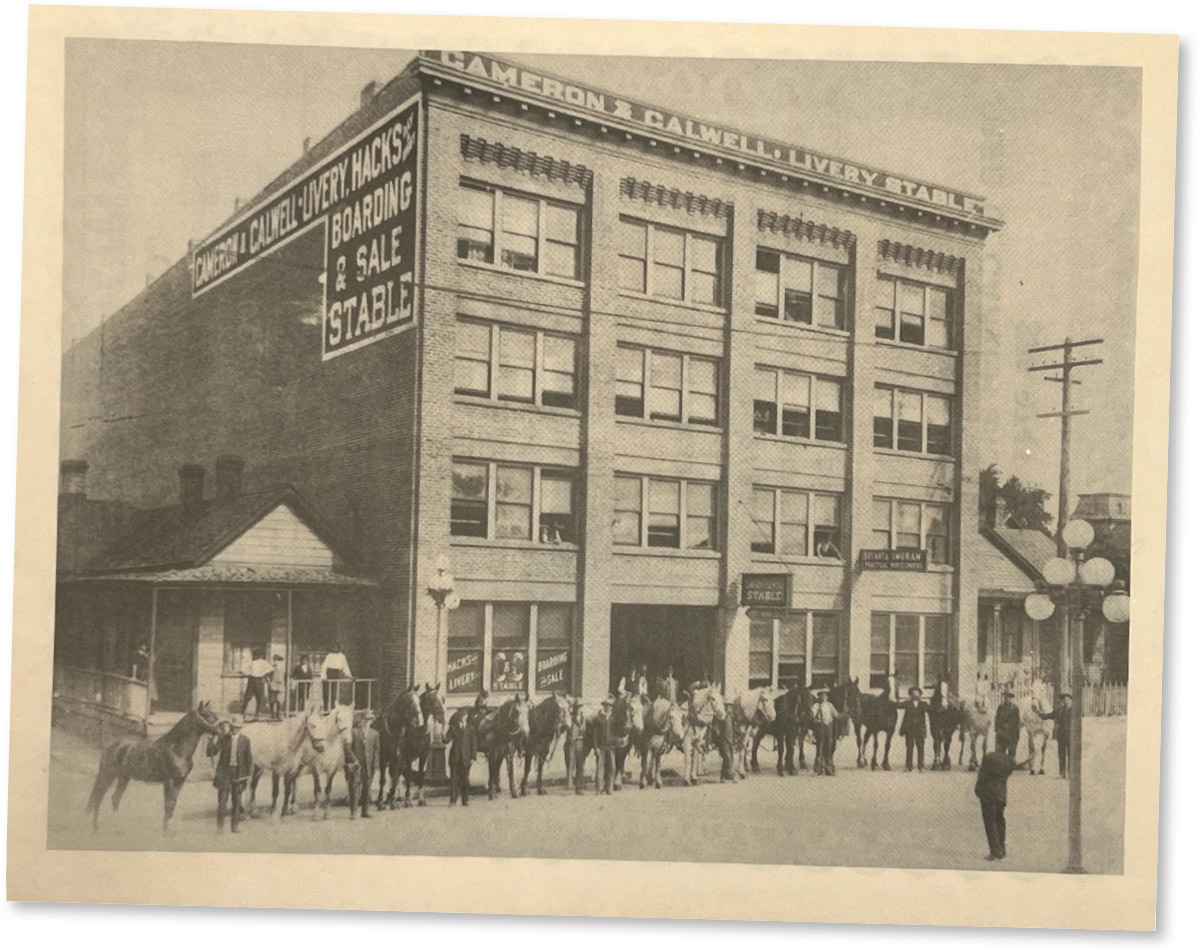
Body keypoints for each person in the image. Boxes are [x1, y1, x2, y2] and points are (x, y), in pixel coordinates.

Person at [975, 749, 1033, 861]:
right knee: (1000, 821)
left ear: (997, 743)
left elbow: (982, 775)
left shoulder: (989, 757)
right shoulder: (1009, 761)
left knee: (990, 823)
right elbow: (1019, 767)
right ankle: (1002, 849)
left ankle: (994, 851)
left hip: (987, 794)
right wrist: (1029, 759)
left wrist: (978, 789)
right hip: (1001, 795)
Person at [207, 714, 253, 833]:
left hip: (239, 774)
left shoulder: (245, 741)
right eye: (232, 726)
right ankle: (220, 827)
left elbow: (249, 760)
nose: (234, 729)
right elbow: (212, 752)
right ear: (230, 726)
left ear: (240, 728)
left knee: (237, 802)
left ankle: (235, 827)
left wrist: (249, 776)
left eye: (237, 727)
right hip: (225, 773)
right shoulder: (224, 738)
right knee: (222, 801)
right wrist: (211, 741)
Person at [446, 708, 477, 807]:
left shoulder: (470, 728)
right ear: (458, 716)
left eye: (464, 716)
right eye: (460, 716)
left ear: (467, 716)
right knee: (454, 780)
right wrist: (442, 734)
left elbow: (474, 744)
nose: (462, 717)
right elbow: (447, 740)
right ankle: (453, 801)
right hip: (455, 758)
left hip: (466, 758)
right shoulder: (453, 727)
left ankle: (465, 800)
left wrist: (473, 757)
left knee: (465, 780)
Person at [1039, 692, 1074, 778]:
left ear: (1070, 701)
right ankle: (1062, 773)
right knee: (1061, 754)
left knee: (1071, 755)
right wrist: (1038, 712)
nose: (1064, 702)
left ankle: (1070, 773)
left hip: (1071, 736)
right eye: (1063, 700)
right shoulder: (1058, 711)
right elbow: (1047, 716)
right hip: (1061, 735)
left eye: (1067, 700)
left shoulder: (1073, 711)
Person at [810, 687, 839, 776]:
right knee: (820, 747)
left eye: (825, 695)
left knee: (829, 747)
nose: (823, 697)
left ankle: (829, 769)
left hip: (828, 727)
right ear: (819, 697)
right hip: (819, 727)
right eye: (822, 695)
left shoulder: (830, 705)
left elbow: (835, 715)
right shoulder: (816, 706)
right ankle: (818, 769)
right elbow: (812, 714)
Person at [899, 686, 929, 771]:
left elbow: (931, 710)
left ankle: (921, 766)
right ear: (911, 694)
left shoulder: (924, 704)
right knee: (909, 747)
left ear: (920, 694)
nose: (915, 694)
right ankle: (908, 766)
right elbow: (897, 705)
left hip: (920, 729)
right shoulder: (907, 703)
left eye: (917, 693)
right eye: (913, 693)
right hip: (909, 728)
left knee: (920, 747)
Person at [595, 695, 617, 794]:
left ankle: (609, 788)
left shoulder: (614, 719)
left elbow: (617, 732)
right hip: (601, 746)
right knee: (600, 767)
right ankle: (599, 788)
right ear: (603, 706)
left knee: (611, 767)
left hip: (611, 746)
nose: (608, 707)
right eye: (606, 705)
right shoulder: (599, 718)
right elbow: (595, 735)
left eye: (610, 705)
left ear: (612, 707)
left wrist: (616, 743)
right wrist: (596, 747)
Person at [321, 642, 352, 710]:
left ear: (339, 648)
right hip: (328, 674)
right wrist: (324, 676)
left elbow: (345, 667)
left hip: (336, 674)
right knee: (326, 693)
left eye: (336, 647)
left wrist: (350, 676)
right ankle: (326, 709)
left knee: (333, 694)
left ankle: (332, 709)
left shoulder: (342, 656)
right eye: (334, 647)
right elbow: (324, 666)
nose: (335, 648)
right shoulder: (329, 655)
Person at [242, 648, 271, 719]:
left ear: (255, 656)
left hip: (252, 680)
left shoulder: (252, 662)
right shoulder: (264, 662)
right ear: (261, 656)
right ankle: (256, 715)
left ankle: (242, 713)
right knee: (259, 698)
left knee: (247, 697)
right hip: (259, 681)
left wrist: (250, 673)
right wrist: (264, 675)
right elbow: (270, 669)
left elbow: (245, 671)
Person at [994, 689, 1021, 758]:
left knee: (1011, 754)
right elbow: (997, 719)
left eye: (1009, 697)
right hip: (1001, 734)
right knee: (1000, 754)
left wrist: (1017, 736)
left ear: (1012, 698)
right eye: (1005, 697)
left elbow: (1017, 722)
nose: (1007, 699)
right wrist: (997, 730)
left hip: (1011, 734)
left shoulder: (1015, 708)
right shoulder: (1000, 707)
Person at [268, 654, 286, 718]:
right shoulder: (271, 668)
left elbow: (286, 676)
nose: (275, 661)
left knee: (279, 700)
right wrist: (269, 683)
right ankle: (272, 713)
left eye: (277, 660)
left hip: (281, 685)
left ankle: (278, 713)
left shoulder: (284, 668)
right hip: (273, 684)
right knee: (272, 700)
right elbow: (268, 676)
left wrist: (285, 683)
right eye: (275, 660)